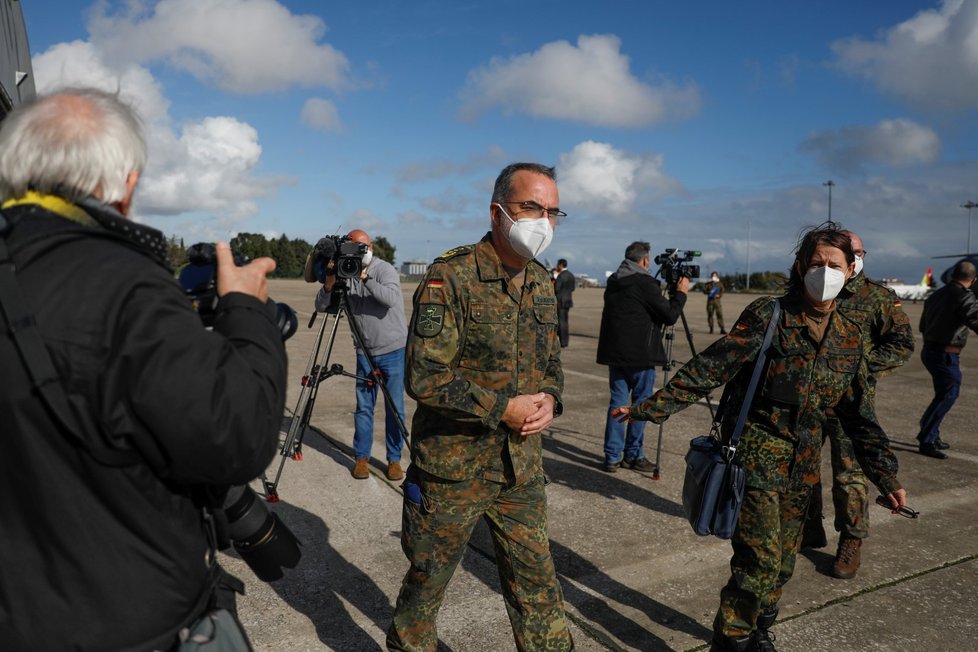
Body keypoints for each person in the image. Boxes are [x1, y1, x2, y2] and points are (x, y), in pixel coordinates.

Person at [0, 89, 287, 650]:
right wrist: (247, 314)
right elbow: (238, 436)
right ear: (127, 185)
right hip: (122, 617)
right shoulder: (122, 284)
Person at [612, 222, 907, 652]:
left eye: (835, 265)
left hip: (801, 467)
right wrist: (649, 409)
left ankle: (758, 629)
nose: (824, 271)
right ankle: (731, 639)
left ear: (851, 272)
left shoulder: (849, 335)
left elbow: (858, 416)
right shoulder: (770, 314)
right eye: (816, 263)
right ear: (799, 265)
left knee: (784, 561)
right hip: (756, 456)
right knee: (758, 560)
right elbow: (712, 367)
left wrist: (887, 476)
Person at [386, 162, 573, 652]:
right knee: (425, 590)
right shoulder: (452, 276)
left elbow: (551, 363)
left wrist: (552, 398)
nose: (544, 220)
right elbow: (424, 375)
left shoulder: (542, 282)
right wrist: (500, 409)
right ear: (497, 212)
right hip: (453, 470)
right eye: (532, 206)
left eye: (553, 211)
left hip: (520, 470)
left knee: (538, 590)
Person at [801, 231, 914, 580]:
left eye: (859, 252)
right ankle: (809, 527)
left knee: (850, 476)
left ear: (855, 261)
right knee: (803, 468)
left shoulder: (876, 297)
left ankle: (851, 540)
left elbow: (902, 343)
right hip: (809, 399)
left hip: (852, 404)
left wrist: (860, 367)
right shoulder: (808, 290)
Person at [314, 228, 408, 481]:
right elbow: (321, 306)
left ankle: (394, 460)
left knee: (394, 407)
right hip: (364, 352)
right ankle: (361, 458)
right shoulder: (346, 273)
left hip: (393, 349)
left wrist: (365, 277)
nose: (360, 252)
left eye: (363, 247)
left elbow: (389, 299)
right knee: (364, 408)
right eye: (355, 247)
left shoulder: (384, 269)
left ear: (371, 247)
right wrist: (332, 279)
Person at [596, 241, 688, 472]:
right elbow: (669, 315)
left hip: (616, 355)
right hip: (641, 356)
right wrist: (681, 294)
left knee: (617, 403)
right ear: (645, 260)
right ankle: (634, 455)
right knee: (640, 405)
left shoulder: (614, 282)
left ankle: (612, 457)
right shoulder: (645, 283)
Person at [917, 260, 978, 459]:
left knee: (942, 394)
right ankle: (927, 439)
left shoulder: (936, 295)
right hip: (946, 354)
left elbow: (922, 326)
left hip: (930, 351)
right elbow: (975, 318)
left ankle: (931, 434)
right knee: (948, 394)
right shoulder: (965, 297)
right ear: (974, 280)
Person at [554, 257, 575, 347]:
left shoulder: (561, 276)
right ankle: (565, 341)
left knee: (561, 322)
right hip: (568, 301)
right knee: (565, 322)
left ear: (560, 265)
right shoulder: (571, 275)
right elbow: (573, 288)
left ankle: (562, 342)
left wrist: (555, 278)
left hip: (560, 301)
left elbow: (556, 288)